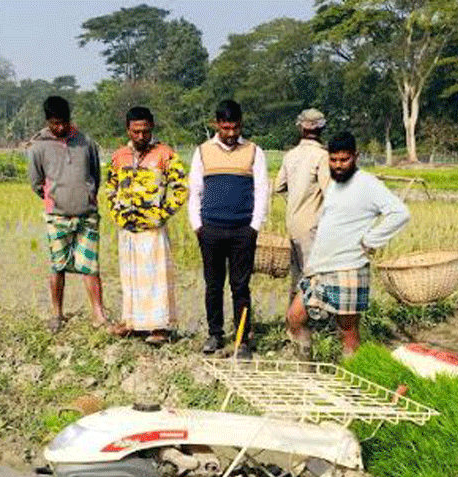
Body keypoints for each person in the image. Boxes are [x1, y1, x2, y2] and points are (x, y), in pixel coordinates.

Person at [286, 132, 410, 358]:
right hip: (320, 269)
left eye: (344, 160)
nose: (338, 165)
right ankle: (305, 368)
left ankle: (351, 381)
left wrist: (370, 241)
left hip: (349, 268)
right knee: (294, 318)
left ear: (356, 157)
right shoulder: (333, 184)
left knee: (347, 332)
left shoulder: (367, 183)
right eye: (333, 160)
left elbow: (400, 213)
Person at [188, 99, 270, 358]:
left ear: (241, 124)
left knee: (240, 286)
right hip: (210, 229)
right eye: (225, 128)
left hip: (242, 231)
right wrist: (198, 226)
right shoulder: (202, 151)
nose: (231, 133)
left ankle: (242, 339)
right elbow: (195, 192)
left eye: (235, 127)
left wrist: (254, 226)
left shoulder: (255, 152)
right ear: (217, 125)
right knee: (213, 285)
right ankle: (215, 334)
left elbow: (262, 190)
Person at [104, 106, 188, 346]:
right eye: (135, 132)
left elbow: (180, 188)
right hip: (127, 227)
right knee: (130, 277)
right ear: (128, 130)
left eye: (145, 131)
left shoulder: (165, 154)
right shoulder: (119, 156)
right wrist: (116, 213)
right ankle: (131, 323)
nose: (141, 136)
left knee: (156, 277)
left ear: (152, 128)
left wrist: (161, 215)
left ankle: (159, 327)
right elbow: (111, 187)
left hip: (152, 227)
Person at [27, 95, 106, 333]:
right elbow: (36, 182)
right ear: (47, 121)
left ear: (69, 119)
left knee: (90, 267)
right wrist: (55, 200)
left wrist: (88, 196)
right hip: (57, 217)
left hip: (87, 215)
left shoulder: (86, 142)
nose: (59, 127)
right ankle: (57, 314)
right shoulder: (38, 147)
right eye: (54, 123)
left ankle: (99, 316)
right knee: (57, 266)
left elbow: (96, 176)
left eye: (63, 122)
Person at [275, 108, 330, 298]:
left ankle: (293, 324)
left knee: (297, 278)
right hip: (312, 226)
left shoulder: (290, 155)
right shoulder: (322, 156)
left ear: (301, 128)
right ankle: (312, 322)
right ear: (321, 129)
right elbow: (329, 191)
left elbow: (278, 186)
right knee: (314, 277)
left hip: (293, 225)